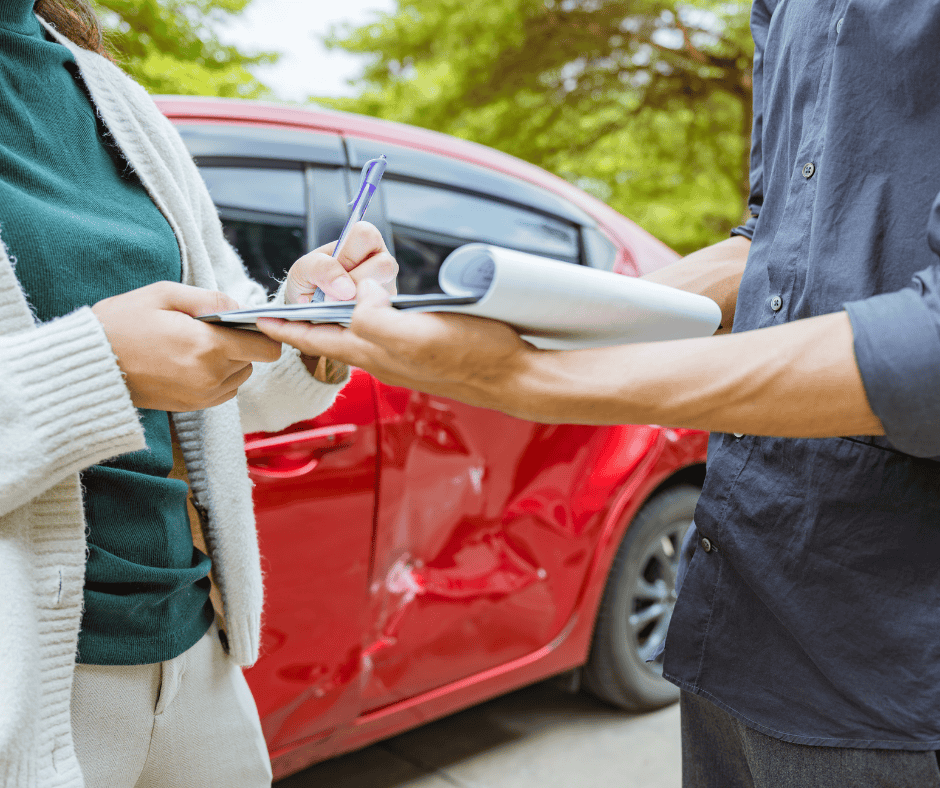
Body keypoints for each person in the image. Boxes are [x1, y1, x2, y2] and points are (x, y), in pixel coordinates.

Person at [258, 2, 940, 786]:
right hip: (738, 606)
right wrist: (555, 320)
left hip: (892, 653)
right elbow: (776, 243)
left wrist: (530, 378)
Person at [0, 2, 396, 787]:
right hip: (26, 687)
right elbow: (124, 362)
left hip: (193, 649)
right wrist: (99, 364)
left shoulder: (109, 93)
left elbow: (217, 379)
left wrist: (306, 322)